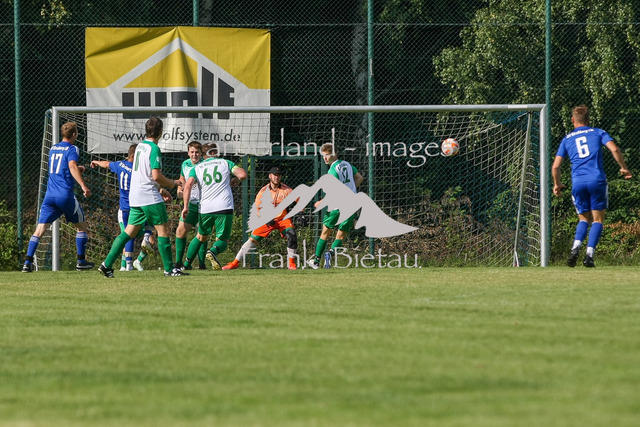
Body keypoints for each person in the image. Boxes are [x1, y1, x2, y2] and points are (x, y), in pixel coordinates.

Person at [98, 117, 187, 278]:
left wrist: (161, 189)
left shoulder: (140, 146)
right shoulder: (154, 148)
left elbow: (144, 174)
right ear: (161, 132)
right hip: (149, 196)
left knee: (128, 232)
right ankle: (169, 269)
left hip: (135, 196)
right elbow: (155, 176)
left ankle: (106, 265)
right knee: (163, 230)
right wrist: (173, 183)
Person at [552, 105, 632, 268]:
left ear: (573, 120)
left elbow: (555, 166)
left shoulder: (567, 139)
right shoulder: (598, 132)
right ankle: (589, 255)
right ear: (589, 120)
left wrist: (557, 183)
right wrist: (623, 167)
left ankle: (575, 248)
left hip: (578, 183)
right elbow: (614, 149)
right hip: (597, 180)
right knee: (598, 219)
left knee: (583, 219)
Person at [22, 122, 94, 272]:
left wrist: (77, 169)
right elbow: (71, 165)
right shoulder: (73, 148)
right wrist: (83, 185)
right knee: (82, 227)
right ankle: (81, 262)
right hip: (64, 195)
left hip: (50, 195)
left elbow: (62, 168)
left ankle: (27, 263)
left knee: (39, 230)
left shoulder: (53, 148)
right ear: (74, 134)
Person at [180, 142, 247, 270]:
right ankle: (212, 251)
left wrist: (185, 207)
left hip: (206, 208)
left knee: (200, 236)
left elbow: (187, 186)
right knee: (223, 240)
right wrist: (236, 180)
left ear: (203, 154)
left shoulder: (197, 168)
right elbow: (242, 175)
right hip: (224, 206)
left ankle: (186, 265)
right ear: (214, 152)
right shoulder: (225, 163)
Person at [90, 144, 154, 271]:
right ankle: (128, 262)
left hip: (124, 208)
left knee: (129, 234)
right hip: (136, 206)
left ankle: (128, 264)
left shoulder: (120, 165)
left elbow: (107, 164)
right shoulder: (137, 171)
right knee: (136, 230)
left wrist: (96, 162)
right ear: (133, 156)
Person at [223, 166, 298, 270]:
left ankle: (291, 264)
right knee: (252, 240)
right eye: (274, 175)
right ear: (270, 176)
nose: (276, 177)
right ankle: (234, 263)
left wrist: (301, 213)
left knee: (292, 235)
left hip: (282, 219)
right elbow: (258, 208)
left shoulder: (286, 190)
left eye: (278, 175)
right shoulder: (263, 191)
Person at [307, 143, 364, 269]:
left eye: (327, 155)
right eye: (323, 155)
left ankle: (316, 261)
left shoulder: (332, 170)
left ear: (335, 154)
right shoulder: (347, 164)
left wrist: (321, 202)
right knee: (341, 235)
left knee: (325, 232)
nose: (325, 158)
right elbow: (359, 178)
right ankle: (331, 253)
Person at [175, 141, 208, 270]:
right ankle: (178, 262)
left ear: (201, 153)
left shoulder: (205, 165)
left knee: (202, 234)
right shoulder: (185, 164)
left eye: (197, 152)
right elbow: (182, 178)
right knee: (180, 231)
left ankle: (202, 264)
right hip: (190, 204)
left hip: (204, 204)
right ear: (188, 153)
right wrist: (180, 188)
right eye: (192, 152)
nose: (194, 155)